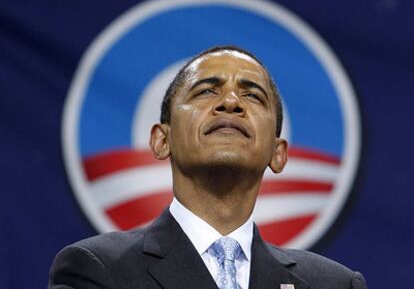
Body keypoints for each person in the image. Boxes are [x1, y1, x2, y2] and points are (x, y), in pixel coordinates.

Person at [48, 46, 367, 289]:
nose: (231, 102)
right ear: (162, 140)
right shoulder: (97, 270)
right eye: (206, 91)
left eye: (252, 96)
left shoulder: (334, 284)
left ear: (278, 152)